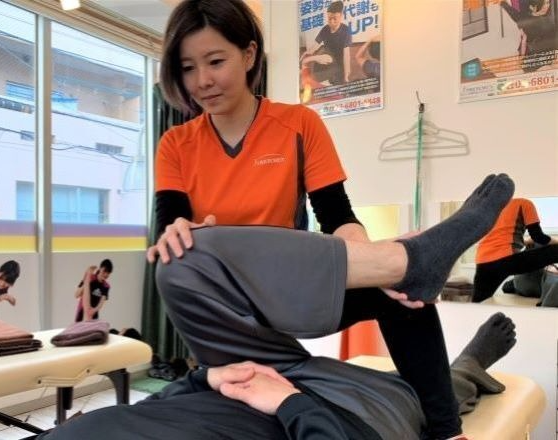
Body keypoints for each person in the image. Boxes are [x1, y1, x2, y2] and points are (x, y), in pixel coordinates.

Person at [147, 0, 496, 437]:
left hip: (288, 293)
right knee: (181, 255)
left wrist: (372, 268)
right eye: (187, 68)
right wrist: (177, 232)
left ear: (249, 55)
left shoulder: (298, 124)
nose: (202, 80)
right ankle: (407, 259)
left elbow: (336, 216)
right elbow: (171, 226)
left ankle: (447, 429)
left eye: (215, 61)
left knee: (403, 295)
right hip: (225, 309)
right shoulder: (175, 144)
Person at [32, 174, 516, 439]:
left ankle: (402, 265)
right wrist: (289, 403)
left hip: (249, 377)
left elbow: (149, 413)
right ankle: (463, 374)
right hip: (340, 418)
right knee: (417, 384)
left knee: (181, 262)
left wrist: (208, 378)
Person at [472, 197, 558, 302]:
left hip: (483, 260)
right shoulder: (525, 203)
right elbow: (539, 237)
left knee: (477, 302)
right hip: (506, 259)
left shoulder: (493, 206)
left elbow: (497, 237)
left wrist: (525, 241)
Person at [300, 1, 352, 85]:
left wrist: (346, 75)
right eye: (329, 18)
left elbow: (346, 55)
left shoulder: (346, 30)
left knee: (329, 61)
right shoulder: (325, 29)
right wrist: (307, 53)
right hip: (325, 57)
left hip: (337, 61)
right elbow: (315, 46)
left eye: (335, 18)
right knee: (324, 56)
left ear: (341, 16)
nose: (331, 21)